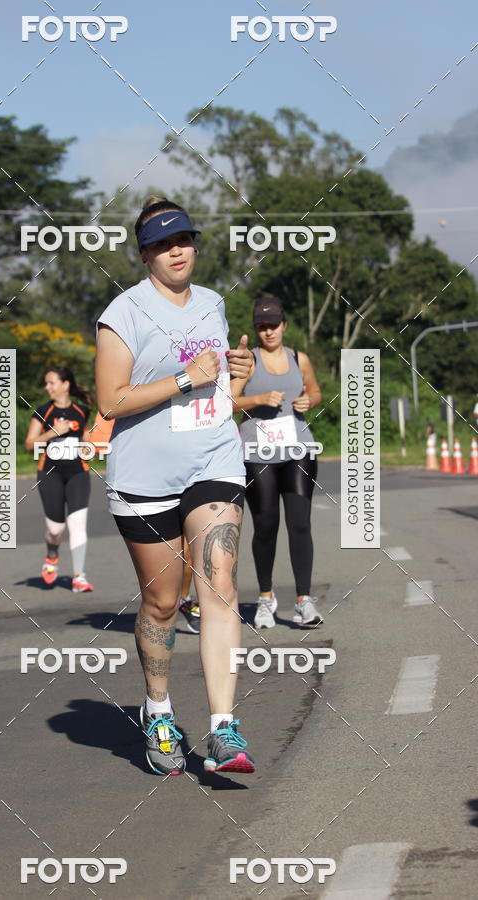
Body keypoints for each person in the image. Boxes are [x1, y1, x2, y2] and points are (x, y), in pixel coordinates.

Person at [96, 195, 255, 776]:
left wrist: (236, 377)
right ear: (144, 254)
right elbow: (110, 400)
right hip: (144, 476)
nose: (176, 251)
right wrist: (184, 377)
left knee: (218, 583)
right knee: (164, 600)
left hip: (212, 457)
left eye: (183, 239)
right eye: (163, 244)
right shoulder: (124, 314)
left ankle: (222, 729)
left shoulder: (213, 303)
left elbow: (219, 386)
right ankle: (158, 710)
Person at [232, 296, 323, 629]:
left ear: (284, 325)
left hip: (298, 448)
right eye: (261, 326)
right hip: (258, 454)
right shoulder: (248, 361)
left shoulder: (300, 358)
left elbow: (315, 392)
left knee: (300, 524)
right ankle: (266, 598)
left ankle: (304, 601)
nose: (268, 331)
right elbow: (228, 401)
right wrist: (257, 399)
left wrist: (308, 400)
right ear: (255, 329)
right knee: (266, 526)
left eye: (273, 325)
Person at [25, 367, 93, 592]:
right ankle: (52, 554)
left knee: (78, 525)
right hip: (50, 473)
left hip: (78, 473)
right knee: (55, 529)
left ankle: (79, 576)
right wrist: (52, 432)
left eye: (51, 383)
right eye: (46, 383)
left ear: (65, 384)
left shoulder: (82, 410)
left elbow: (87, 441)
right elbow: (29, 444)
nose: (48, 387)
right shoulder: (44, 411)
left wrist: (89, 447)